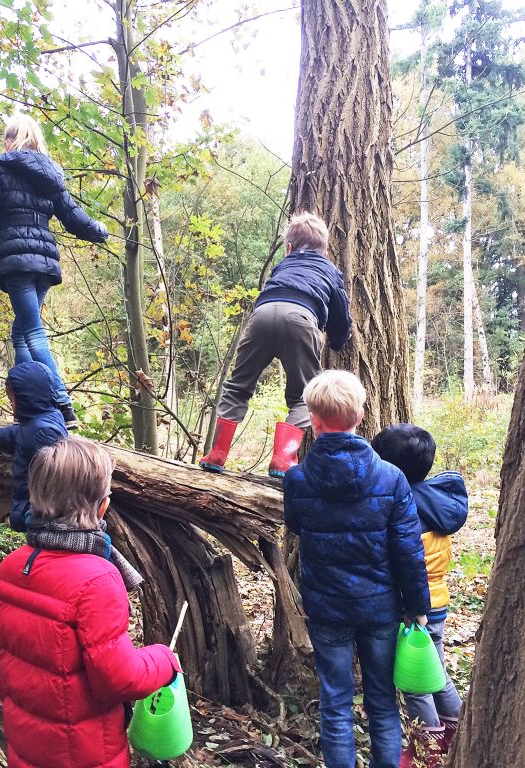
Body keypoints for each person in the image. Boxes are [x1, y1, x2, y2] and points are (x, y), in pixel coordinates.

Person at [0, 435, 180, 768]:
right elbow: (119, 679)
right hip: (86, 752)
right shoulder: (98, 579)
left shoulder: (11, 567)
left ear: (34, 496)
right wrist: (164, 659)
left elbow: (0, 661)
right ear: (103, 504)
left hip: (27, 743)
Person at [283, 370, 431, 768]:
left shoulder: (297, 479)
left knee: (335, 701)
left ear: (313, 419)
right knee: (383, 701)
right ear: (361, 416)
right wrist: (419, 605)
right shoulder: (391, 477)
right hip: (380, 609)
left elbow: (297, 525)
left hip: (327, 609)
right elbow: (408, 550)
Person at [0, 114, 108, 430]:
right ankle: (28, 408)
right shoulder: (51, 175)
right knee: (21, 332)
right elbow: (74, 218)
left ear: (10, 141)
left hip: (17, 260)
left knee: (32, 332)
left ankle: (61, 404)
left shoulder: (0, 167)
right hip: (45, 262)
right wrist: (100, 230)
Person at [200, 211, 352, 476]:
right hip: (302, 318)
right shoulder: (330, 270)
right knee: (304, 395)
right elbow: (340, 313)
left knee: (237, 386)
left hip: (262, 314)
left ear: (289, 248)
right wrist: (339, 340)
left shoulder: (283, 265)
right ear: (325, 250)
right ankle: (283, 459)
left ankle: (217, 453)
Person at [371, 424, 468, 767]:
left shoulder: (404, 508)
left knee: (416, 682)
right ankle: (457, 730)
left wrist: (411, 606)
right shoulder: (437, 501)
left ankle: (428, 745)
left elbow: (405, 564)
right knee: (436, 670)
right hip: (437, 600)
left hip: (415, 607)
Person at [0, 361, 68, 531]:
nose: (11, 404)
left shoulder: (43, 433)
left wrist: (36, 513)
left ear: (26, 397)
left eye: (13, 399)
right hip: (32, 511)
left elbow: (53, 480)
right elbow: (20, 433)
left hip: (39, 515)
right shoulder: (43, 420)